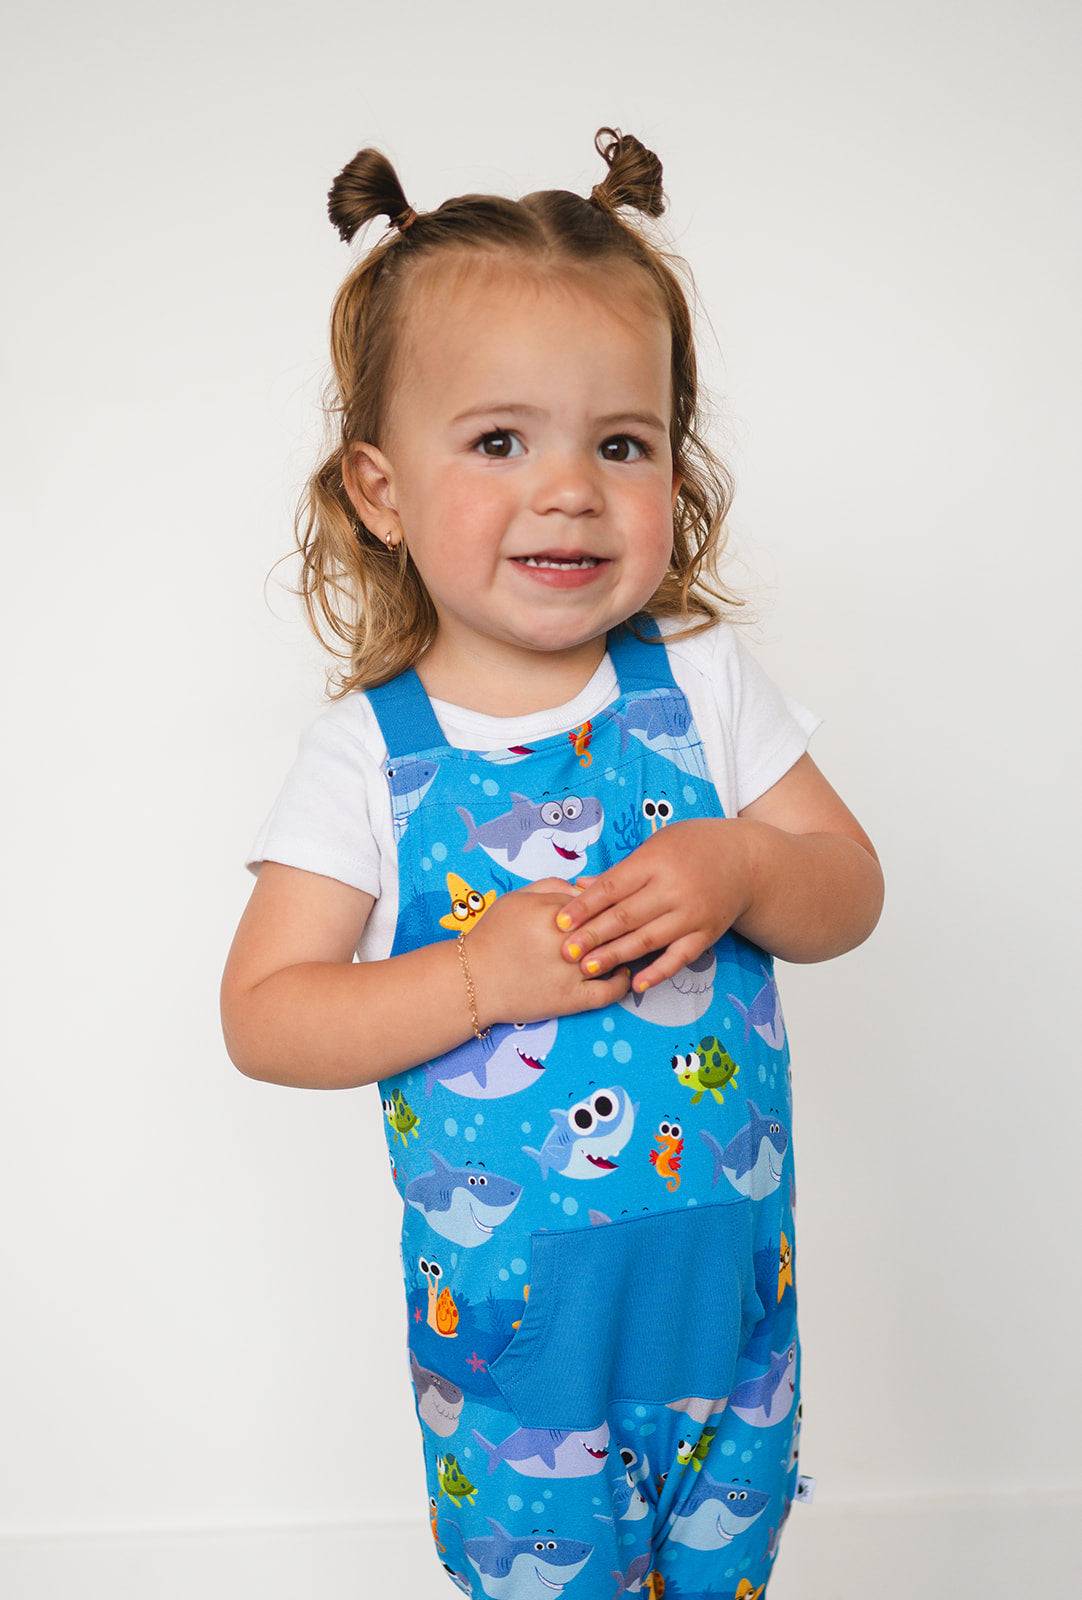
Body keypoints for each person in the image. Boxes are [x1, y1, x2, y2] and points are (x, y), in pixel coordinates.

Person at [220, 126, 884, 1599]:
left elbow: (848, 889)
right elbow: (267, 1013)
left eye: (622, 443)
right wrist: (469, 976)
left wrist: (740, 868)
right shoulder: (370, 758)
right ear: (382, 492)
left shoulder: (702, 687)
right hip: (521, 1350)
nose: (571, 489)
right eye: (500, 440)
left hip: (727, 1315)